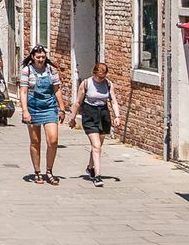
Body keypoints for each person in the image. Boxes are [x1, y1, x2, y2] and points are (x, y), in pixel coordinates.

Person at [72, 62, 122, 183]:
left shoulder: (109, 84)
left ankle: (90, 168)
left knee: (97, 146)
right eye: (99, 76)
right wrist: (72, 118)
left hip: (103, 114)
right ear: (94, 73)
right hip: (89, 113)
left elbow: (113, 101)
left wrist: (117, 116)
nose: (101, 79)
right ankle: (98, 175)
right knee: (97, 146)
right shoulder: (86, 83)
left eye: (103, 76)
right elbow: (78, 102)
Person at [19, 47, 62, 184]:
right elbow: (24, 91)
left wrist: (61, 107)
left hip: (49, 106)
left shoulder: (51, 70)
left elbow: (56, 89)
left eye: (43, 57)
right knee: (35, 141)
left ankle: (49, 171)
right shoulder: (27, 70)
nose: (41, 60)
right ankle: (37, 171)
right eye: (38, 57)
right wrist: (25, 110)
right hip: (33, 107)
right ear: (32, 57)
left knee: (53, 140)